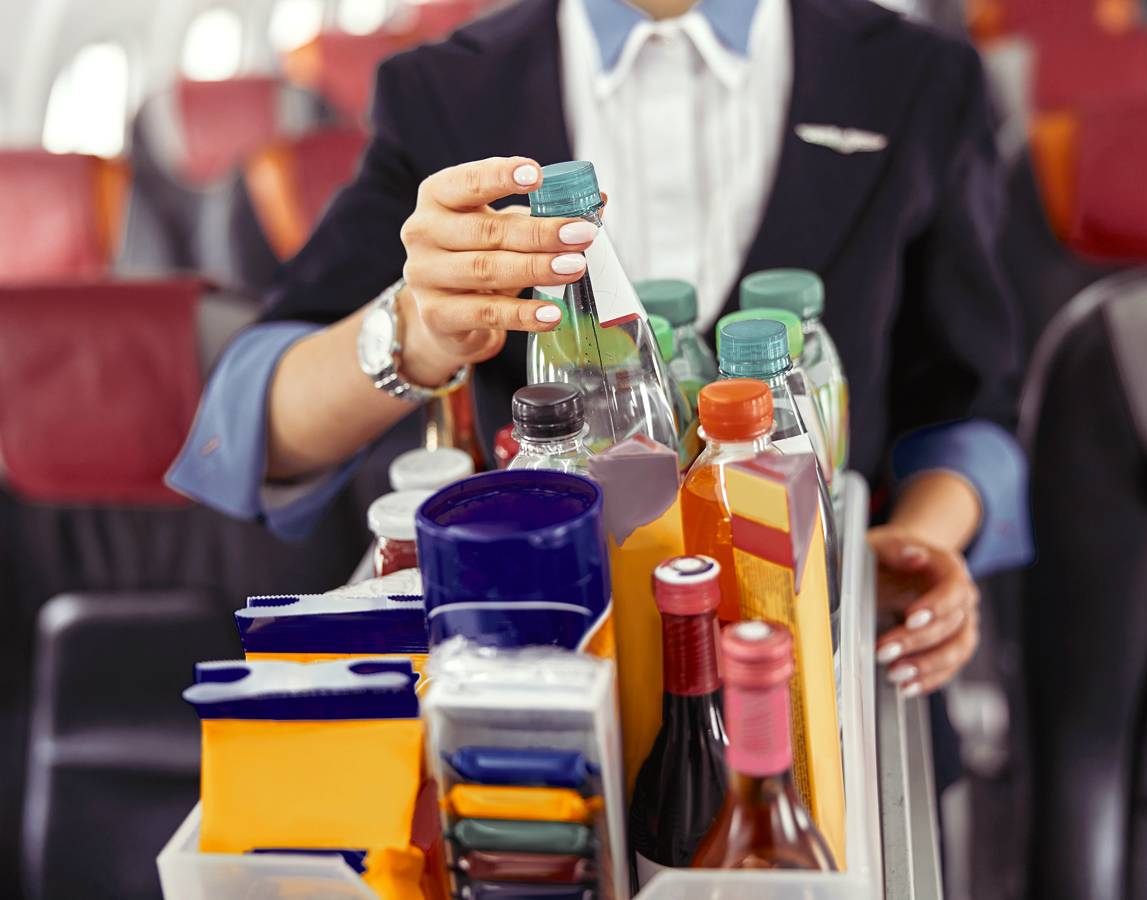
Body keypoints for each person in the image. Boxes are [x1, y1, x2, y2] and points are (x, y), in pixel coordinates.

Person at [169, 0, 1032, 700]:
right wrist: (416, 328)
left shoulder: (914, 75)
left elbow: (971, 406)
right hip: (542, 658)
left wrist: (921, 538)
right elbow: (257, 419)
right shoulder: (447, 89)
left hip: (822, 642)